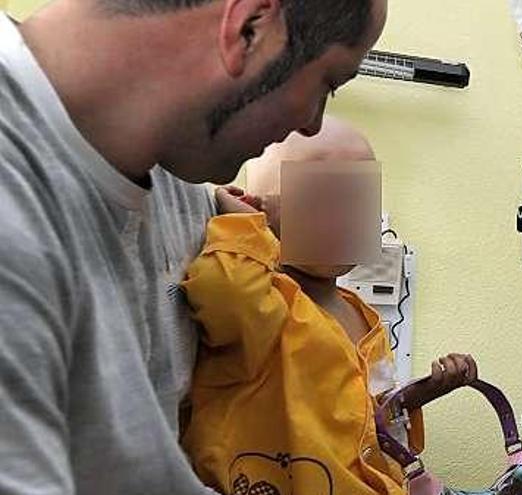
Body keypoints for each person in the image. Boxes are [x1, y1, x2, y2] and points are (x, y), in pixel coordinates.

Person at [0, 0, 385, 492]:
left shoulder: (184, 195)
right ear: (249, 26)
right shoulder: (15, 208)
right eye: (328, 83)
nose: (312, 123)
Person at [181, 118, 479, 495]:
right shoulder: (262, 297)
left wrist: (420, 394)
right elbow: (221, 297)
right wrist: (241, 225)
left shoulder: (364, 316)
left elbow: (373, 414)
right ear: (261, 211)